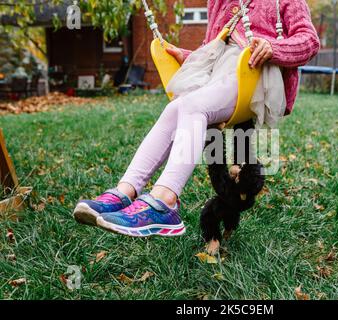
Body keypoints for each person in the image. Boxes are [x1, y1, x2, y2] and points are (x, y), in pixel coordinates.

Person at [73, 0, 320, 237]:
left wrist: (273, 48)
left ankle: (164, 201)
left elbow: (309, 41)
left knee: (193, 106)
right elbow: (214, 46)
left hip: (256, 74)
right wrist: (189, 56)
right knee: (175, 109)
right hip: (219, 73)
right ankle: (125, 191)